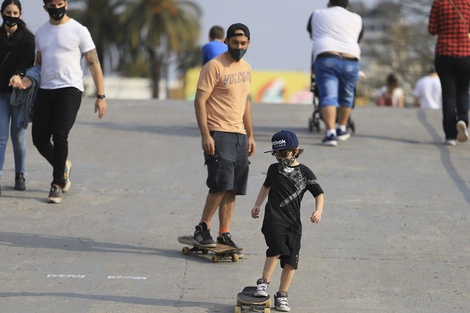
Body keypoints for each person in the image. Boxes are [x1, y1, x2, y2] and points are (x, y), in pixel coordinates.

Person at [33, 0, 107, 203]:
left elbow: (94, 64)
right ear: (45, 7)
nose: (57, 7)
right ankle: (63, 166)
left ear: (66, 3)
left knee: (60, 134)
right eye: (52, 4)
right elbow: (39, 63)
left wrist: (101, 96)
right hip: (46, 90)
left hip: (70, 90)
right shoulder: (40, 32)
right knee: (39, 138)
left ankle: (57, 183)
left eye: (60, 3)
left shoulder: (79, 30)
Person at [192, 23, 256, 254]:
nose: (239, 47)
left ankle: (224, 233)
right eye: (234, 42)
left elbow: (245, 102)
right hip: (218, 132)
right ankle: (202, 227)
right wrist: (205, 134)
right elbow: (200, 101)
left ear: (248, 43)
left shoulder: (247, 67)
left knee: (233, 188)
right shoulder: (214, 66)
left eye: (243, 43)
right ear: (226, 41)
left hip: (239, 134)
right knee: (220, 184)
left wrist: (250, 135)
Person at [251, 130, 324, 312]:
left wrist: (318, 210)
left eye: (284, 152)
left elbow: (319, 193)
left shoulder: (305, 172)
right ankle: (263, 283)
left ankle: (282, 295)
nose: (280, 157)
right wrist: (257, 204)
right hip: (273, 218)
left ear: (295, 150)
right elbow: (265, 187)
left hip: (294, 223)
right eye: (277, 154)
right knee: (276, 247)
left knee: (291, 260)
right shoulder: (273, 169)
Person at [307, 0, 363, 147]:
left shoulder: (317, 14)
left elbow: (312, 34)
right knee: (347, 94)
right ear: (347, 6)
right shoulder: (357, 18)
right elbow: (359, 39)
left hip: (326, 56)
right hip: (350, 58)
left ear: (329, 3)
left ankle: (330, 133)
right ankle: (342, 129)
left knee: (328, 96)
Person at [0, 0, 35, 195]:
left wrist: (18, 74)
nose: (11, 16)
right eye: (7, 12)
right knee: (0, 138)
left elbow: (29, 60)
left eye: (15, 12)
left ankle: (20, 174)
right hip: (0, 95)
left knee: (19, 138)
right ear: (1, 13)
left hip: (19, 95)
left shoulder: (28, 38)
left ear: (20, 14)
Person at [428, 0, 470, 146]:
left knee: (448, 94)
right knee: (463, 91)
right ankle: (463, 120)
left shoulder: (438, 3)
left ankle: (450, 136)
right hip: (465, 54)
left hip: (444, 53)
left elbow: (432, 29)